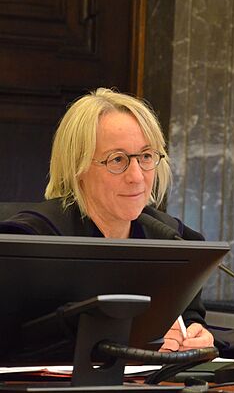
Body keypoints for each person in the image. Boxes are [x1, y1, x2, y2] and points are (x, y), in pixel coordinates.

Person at [0, 88, 211, 353]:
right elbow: (17, 340)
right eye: (118, 160)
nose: (137, 176)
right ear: (78, 168)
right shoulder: (31, 240)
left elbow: (188, 318)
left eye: (146, 156)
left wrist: (194, 336)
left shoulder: (174, 240)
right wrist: (134, 340)